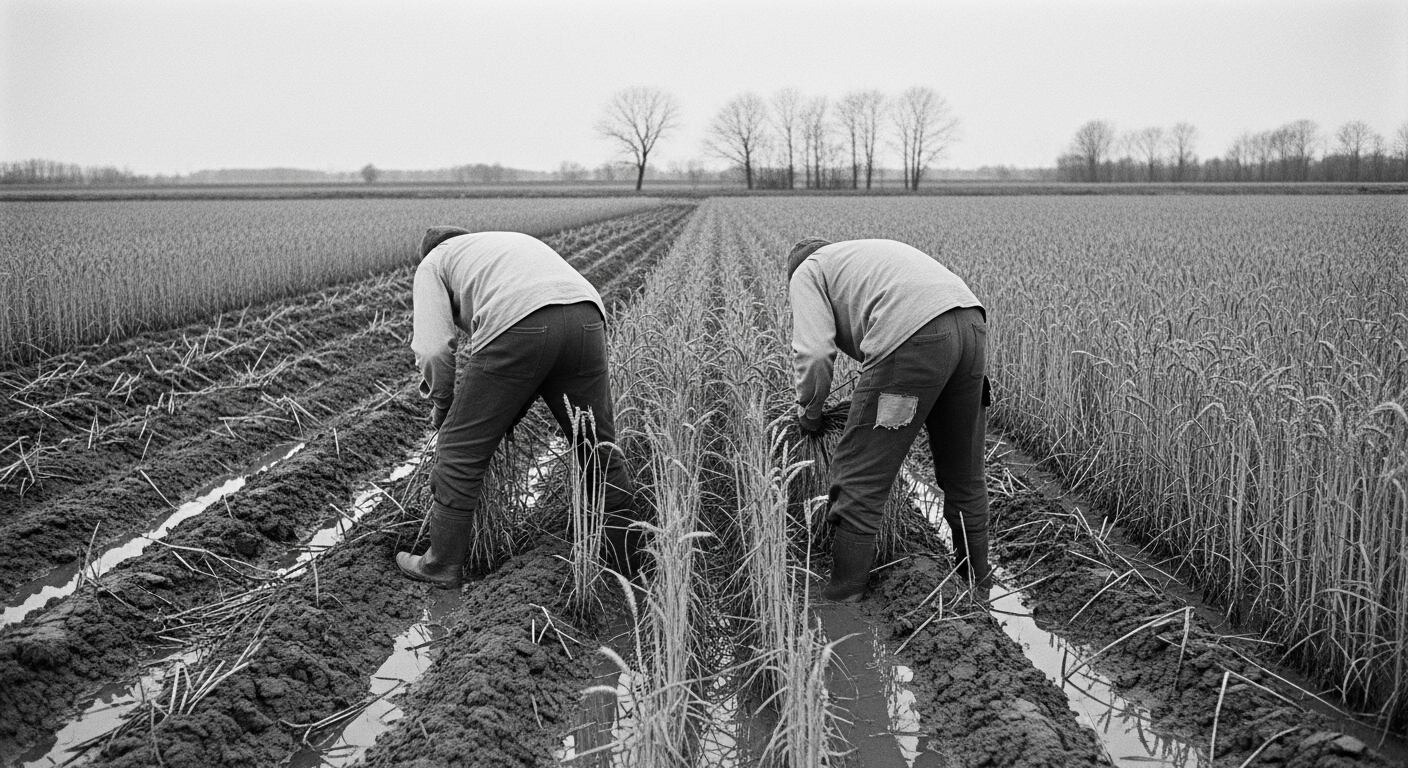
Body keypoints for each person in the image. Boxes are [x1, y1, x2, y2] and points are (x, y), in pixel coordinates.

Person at [397, 227, 640, 587]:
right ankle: (626, 561)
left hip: (520, 320)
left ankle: (440, 564)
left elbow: (433, 350)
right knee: (596, 445)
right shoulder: (495, 246)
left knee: (459, 451)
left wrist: (444, 408)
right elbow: (533, 374)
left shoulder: (433, 262)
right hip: (586, 315)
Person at [787, 237, 991, 602]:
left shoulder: (808, 271)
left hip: (916, 338)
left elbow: (816, 354)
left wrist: (810, 413)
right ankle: (978, 584)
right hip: (972, 325)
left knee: (860, 474)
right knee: (965, 476)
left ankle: (843, 594)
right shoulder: (855, 257)